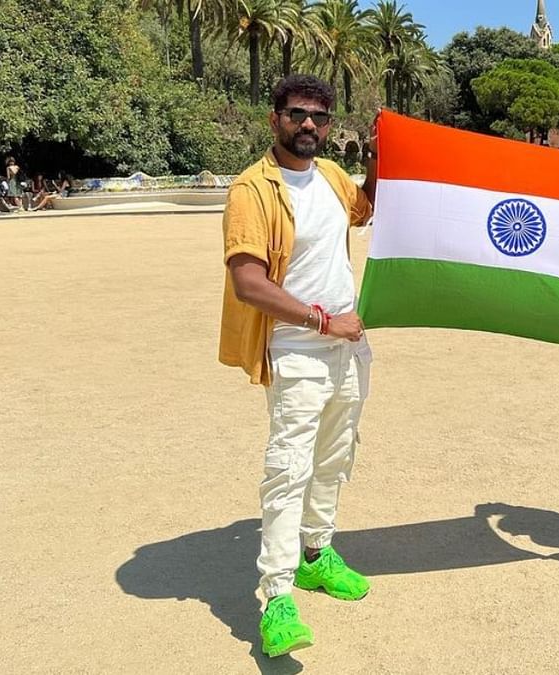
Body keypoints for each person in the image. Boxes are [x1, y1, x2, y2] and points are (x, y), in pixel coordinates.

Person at [219, 74, 378, 657]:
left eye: (320, 116)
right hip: (297, 346)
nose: (309, 124)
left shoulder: (332, 177)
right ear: (275, 119)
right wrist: (320, 321)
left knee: (336, 459)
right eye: (297, 114)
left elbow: (368, 207)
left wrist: (386, 154)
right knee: (289, 469)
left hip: (349, 346)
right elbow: (247, 281)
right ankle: (277, 595)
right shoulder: (251, 190)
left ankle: (316, 553)